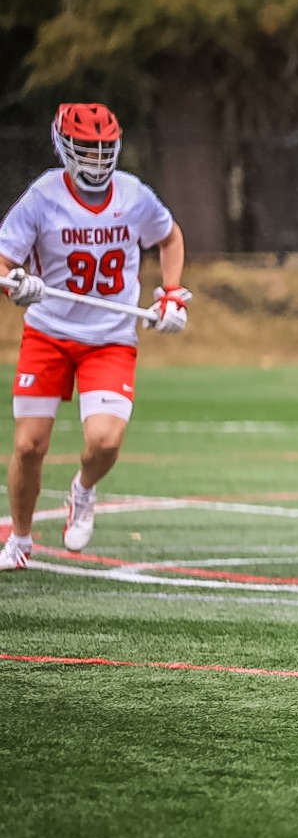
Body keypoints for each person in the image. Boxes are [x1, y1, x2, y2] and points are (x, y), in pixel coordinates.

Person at [0, 103, 189, 570]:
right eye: (86, 149)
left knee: (104, 441)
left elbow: (168, 236)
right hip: (48, 333)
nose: (97, 160)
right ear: (64, 147)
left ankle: (83, 491)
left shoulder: (133, 195)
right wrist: (17, 283)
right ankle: (20, 541)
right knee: (29, 445)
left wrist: (170, 296)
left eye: (105, 149)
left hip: (110, 337)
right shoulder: (44, 195)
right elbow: (4, 261)